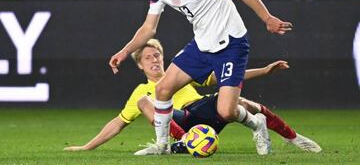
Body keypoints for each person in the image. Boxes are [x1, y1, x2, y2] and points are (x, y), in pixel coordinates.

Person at [109, 0, 293, 156]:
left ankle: (257, 125)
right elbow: (149, 28)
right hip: (202, 45)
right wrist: (125, 50)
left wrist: (267, 18)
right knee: (162, 89)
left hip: (231, 43)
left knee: (226, 111)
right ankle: (162, 145)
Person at [65, 39, 321, 154]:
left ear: (162, 58)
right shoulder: (140, 93)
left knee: (238, 101)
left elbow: (227, 76)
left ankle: (293, 137)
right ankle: (183, 142)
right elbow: (117, 124)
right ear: (140, 66)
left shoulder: (183, 74)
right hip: (181, 123)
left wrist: (264, 71)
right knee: (146, 101)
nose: (154, 60)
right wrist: (87, 147)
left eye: (156, 55)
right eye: (147, 58)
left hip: (201, 112)